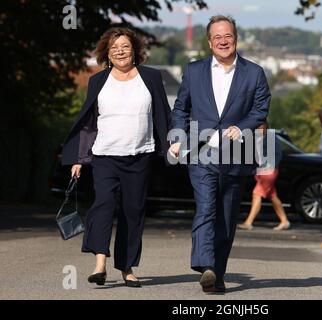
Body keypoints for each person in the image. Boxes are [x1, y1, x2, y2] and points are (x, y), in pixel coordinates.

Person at [61, 27, 171, 287]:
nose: (120, 51)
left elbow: (163, 115)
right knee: (104, 204)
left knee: (133, 211)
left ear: (134, 51)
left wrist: (172, 143)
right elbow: (88, 121)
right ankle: (100, 263)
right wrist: (79, 157)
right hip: (105, 155)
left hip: (139, 155)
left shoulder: (151, 78)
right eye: (114, 48)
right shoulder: (98, 81)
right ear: (107, 54)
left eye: (125, 46)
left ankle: (127, 267)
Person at [169, 15, 270, 293]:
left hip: (237, 154)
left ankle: (218, 272)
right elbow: (181, 108)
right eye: (217, 37)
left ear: (235, 38)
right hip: (201, 153)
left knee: (225, 216)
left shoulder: (254, 72)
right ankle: (206, 265)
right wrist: (177, 136)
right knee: (205, 209)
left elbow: (260, 110)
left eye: (228, 36)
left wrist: (244, 126)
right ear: (210, 42)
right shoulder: (193, 71)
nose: (223, 41)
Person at [237, 123, 290, 231]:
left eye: (261, 127)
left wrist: (270, 167)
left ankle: (248, 222)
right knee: (272, 196)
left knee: (256, 194)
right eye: (257, 127)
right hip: (262, 171)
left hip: (269, 171)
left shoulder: (271, 138)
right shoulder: (257, 138)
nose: (259, 129)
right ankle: (284, 221)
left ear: (266, 127)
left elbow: (278, 154)